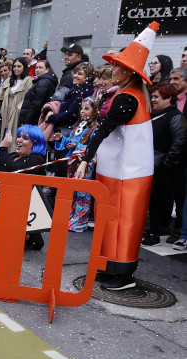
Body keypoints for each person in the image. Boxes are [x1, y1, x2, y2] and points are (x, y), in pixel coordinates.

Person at [74, 23, 159, 291]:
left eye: (118, 67)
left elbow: (103, 130)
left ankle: (121, 274)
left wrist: (86, 158)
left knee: (121, 223)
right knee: (113, 222)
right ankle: (110, 269)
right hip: (122, 172)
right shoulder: (131, 95)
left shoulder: (127, 98)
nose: (113, 70)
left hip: (126, 175)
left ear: (129, 72)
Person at [0, 123, 47, 251]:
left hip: (19, 208)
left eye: (25, 138)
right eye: (19, 136)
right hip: (2, 202)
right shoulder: (14, 155)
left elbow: (12, 173)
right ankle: (25, 233)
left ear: (35, 142)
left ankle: (30, 236)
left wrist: (3, 148)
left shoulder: (37, 159)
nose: (18, 140)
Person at [142, 82, 186, 246]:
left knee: (161, 202)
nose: (152, 100)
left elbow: (178, 143)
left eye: (156, 97)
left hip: (165, 170)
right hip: (154, 167)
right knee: (155, 201)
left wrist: (166, 165)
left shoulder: (175, 117)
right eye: (152, 96)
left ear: (168, 98)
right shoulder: (155, 115)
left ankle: (157, 230)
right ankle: (156, 228)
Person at [51, 97, 100, 232]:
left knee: (83, 192)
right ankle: (71, 216)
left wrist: (77, 145)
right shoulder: (78, 126)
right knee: (73, 190)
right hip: (72, 162)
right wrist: (62, 139)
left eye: (87, 108)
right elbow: (72, 141)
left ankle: (80, 220)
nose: (82, 111)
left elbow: (93, 147)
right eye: (82, 108)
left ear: (95, 111)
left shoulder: (95, 128)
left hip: (85, 163)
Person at [0, 57, 33, 152]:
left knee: (15, 136)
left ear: (24, 68)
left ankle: (13, 157)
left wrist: (19, 109)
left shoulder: (28, 80)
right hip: (5, 112)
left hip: (18, 114)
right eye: (14, 66)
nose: (16, 68)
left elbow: (27, 98)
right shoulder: (9, 80)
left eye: (19, 66)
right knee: (4, 135)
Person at [18, 60, 57, 126]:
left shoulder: (44, 83)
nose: (37, 70)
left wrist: (27, 122)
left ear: (47, 69)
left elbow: (36, 104)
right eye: (36, 67)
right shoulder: (41, 81)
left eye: (40, 67)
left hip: (35, 120)